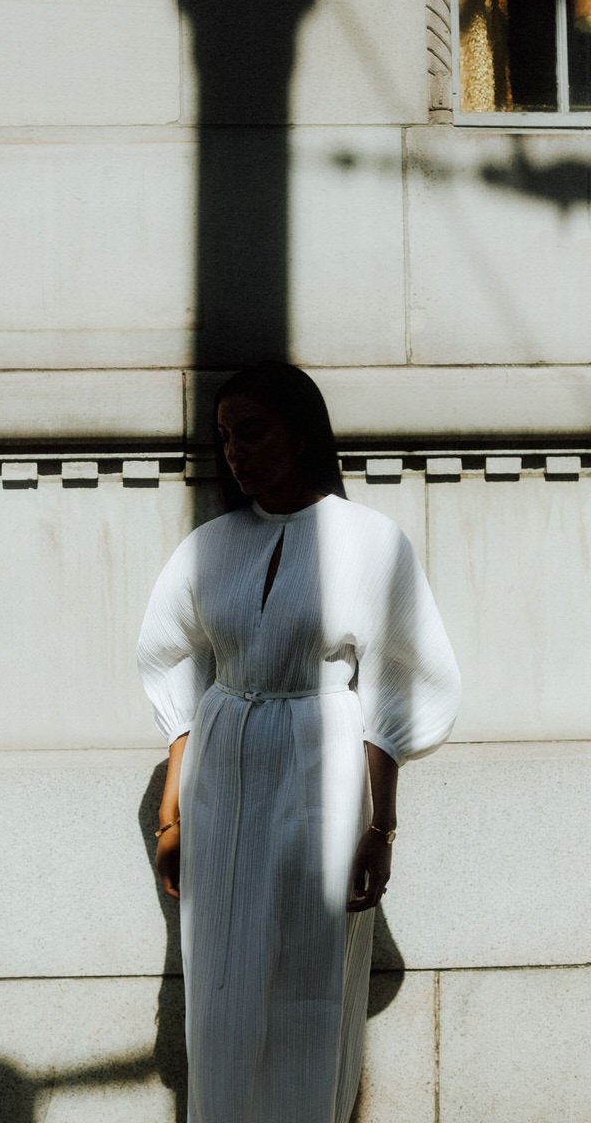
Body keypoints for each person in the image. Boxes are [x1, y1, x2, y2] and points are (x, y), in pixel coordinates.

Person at [137, 362, 461, 1123]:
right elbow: (181, 674)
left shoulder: (370, 542)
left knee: (311, 988)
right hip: (224, 773)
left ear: (301, 431)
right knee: (219, 979)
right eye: (224, 437)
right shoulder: (210, 547)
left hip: (323, 769)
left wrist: (380, 827)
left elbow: (396, 684)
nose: (236, 451)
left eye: (253, 430)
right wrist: (173, 815)